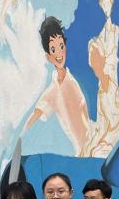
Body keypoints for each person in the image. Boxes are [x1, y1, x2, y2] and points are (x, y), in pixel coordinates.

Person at [23, 16, 90, 156]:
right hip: (83, 151)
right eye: (53, 49)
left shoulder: (71, 81)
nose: (59, 53)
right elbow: (36, 114)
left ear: (65, 46)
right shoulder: (53, 92)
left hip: (90, 145)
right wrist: (21, 137)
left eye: (61, 46)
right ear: (48, 56)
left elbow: (84, 115)